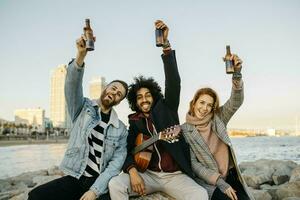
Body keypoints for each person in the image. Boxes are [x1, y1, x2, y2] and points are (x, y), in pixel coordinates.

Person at [108, 20, 208, 200]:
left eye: (147, 95)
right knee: (115, 184)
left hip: (175, 176)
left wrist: (166, 48)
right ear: (134, 102)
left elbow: (174, 82)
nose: (144, 99)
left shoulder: (167, 108)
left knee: (200, 195)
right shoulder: (135, 122)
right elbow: (127, 150)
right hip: (147, 175)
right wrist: (132, 172)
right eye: (139, 97)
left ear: (154, 96)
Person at [28, 26, 128, 200]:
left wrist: (94, 191)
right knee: (35, 196)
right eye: (113, 88)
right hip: (74, 177)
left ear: (119, 101)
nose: (114, 93)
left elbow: (115, 165)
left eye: (119, 94)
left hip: (99, 182)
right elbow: (72, 86)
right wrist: (81, 55)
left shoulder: (120, 129)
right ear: (105, 88)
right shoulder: (82, 108)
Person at [181, 54, 255, 200]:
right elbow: (194, 165)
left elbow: (236, 101)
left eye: (209, 105)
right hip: (210, 182)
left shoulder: (218, 118)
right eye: (202, 103)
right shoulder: (185, 130)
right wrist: (219, 182)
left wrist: (237, 74)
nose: (205, 108)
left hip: (231, 175)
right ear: (194, 102)